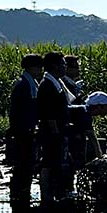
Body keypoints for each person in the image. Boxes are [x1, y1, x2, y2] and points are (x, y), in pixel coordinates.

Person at [8, 54, 43, 201]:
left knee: (25, 162)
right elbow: (18, 111)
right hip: (23, 130)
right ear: (30, 67)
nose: (40, 70)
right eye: (38, 66)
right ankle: (19, 193)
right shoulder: (24, 85)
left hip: (25, 129)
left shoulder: (29, 83)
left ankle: (21, 192)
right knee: (23, 162)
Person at [37, 52, 70, 202]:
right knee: (48, 163)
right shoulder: (47, 85)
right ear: (55, 66)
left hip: (57, 131)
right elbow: (49, 113)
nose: (65, 66)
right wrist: (55, 132)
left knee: (55, 162)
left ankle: (54, 193)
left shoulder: (56, 83)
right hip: (51, 132)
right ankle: (46, 196)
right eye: (63, 64)